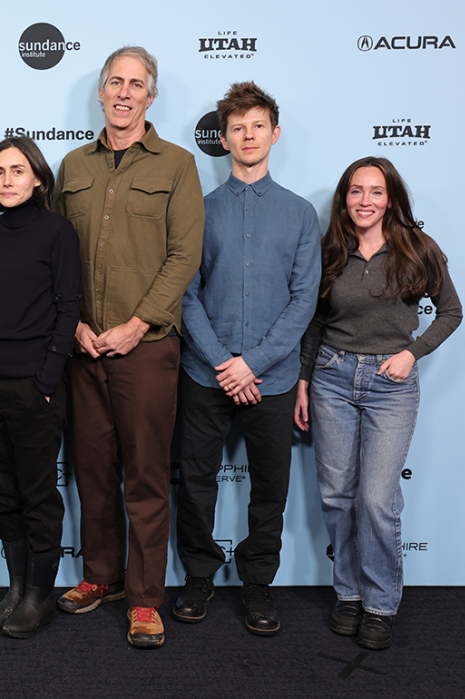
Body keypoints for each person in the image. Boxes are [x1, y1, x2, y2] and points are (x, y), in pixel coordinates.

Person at [53, 46, 204, 648]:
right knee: (91, 471)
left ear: (151, 96)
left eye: (135, 84)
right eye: (114, 82)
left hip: (146, 350)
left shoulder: (178, 165)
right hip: (83, 349)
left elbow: (183, 256)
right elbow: (56, 253)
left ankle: (144, 599)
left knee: (143, 476)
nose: (123, 92)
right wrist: (73, 326)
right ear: (100, 91)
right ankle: (100, 576)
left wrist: (139, 324)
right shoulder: (71, 166)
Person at [295, 157, 461, 650]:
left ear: (391, 199)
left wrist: (413, 353)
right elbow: (315, 324)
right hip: (331, 377)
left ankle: (381, 603)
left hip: (391, 383)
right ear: (344, 198)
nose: (364, 201)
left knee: (376, 500)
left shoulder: (418, 248)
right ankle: (348, 595)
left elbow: (451, 312)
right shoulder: (331, 252)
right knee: (336, 495)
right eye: (355, 191)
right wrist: (304, 382)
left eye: (375, 191)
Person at [175, 82, 321, 636]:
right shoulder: (197, 211)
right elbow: (185, 295)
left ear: (274, 133)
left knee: (270, 487)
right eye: (238, 128)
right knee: (195, 481)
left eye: (258, 126)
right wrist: (223, 363)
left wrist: (251, 364)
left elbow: (303, 300)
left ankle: (259, 584)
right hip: (205, 374)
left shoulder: (302, 214)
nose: (248, 135)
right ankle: (197, 578)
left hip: (275, 380)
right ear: (225, 138)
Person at [0, 137, 81, 638]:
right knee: (2, 491)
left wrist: (48, 378)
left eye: (17, 170)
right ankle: (15, 588)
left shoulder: (58, 232)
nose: (7, 180)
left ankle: (39, 595)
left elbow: (68, 308)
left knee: (37, 493)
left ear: (37, 178)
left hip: (34, 384)